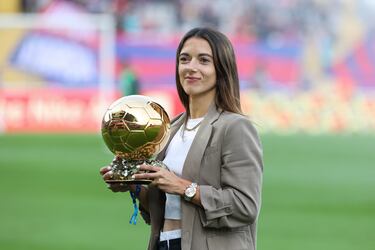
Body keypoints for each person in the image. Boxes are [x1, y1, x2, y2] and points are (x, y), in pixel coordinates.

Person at [100, 27, 263, 250]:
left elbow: (245, 206)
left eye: (203, 60)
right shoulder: (171, 128)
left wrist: (184, 187)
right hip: (166, 243)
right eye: (184, 59)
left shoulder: (235, 127)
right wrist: (133, 186)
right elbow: (165, 206)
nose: (191, 67)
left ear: (221, 69)